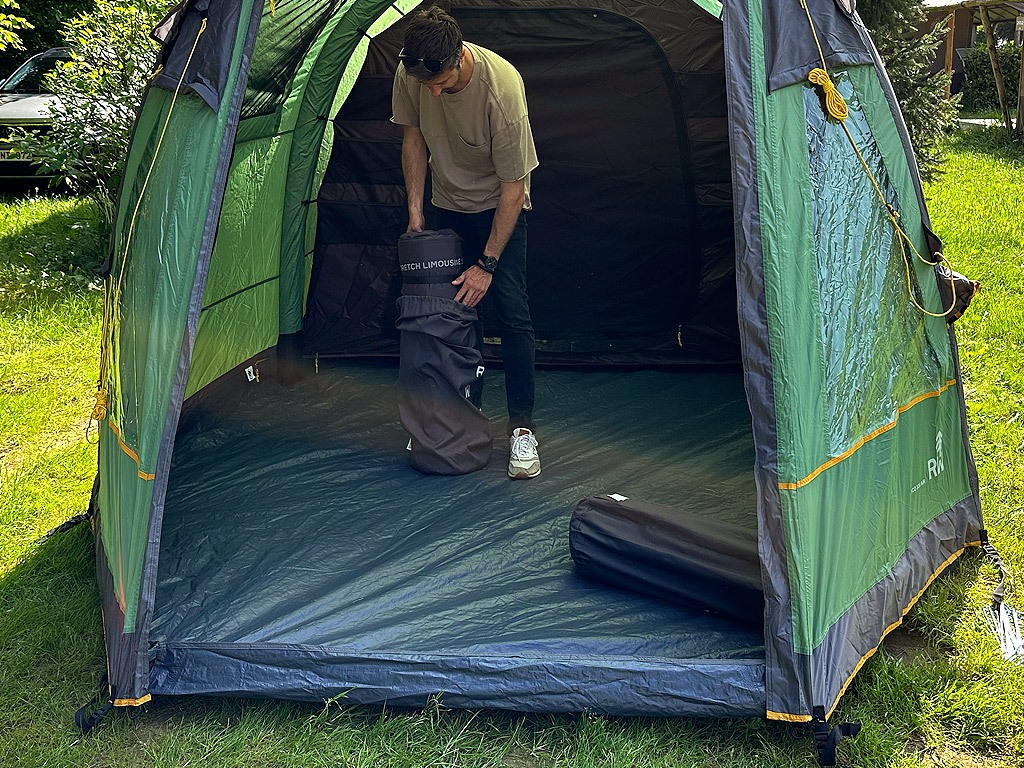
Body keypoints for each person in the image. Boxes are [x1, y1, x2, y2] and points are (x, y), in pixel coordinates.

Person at [391, 6, 541, 480]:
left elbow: (515, 189)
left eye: (440, 82)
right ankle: (454, 416)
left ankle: (522, 430)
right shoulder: (412, 70)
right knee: (450, 312)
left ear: (459, 58)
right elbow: (413, 139)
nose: (432, 92)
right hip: (447, 203)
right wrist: (416, 213)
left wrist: (487, 264)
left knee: (511, 313)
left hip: (501, 205)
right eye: (426, 84)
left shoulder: (503, 90)